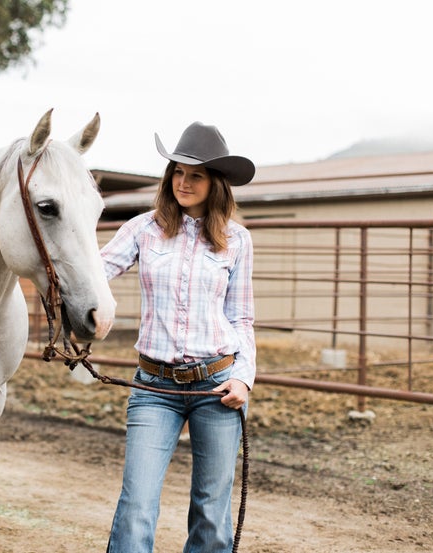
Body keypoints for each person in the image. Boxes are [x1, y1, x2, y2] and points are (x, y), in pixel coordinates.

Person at [101, 121, 256, 553]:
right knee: (137, 503)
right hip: (153, 387)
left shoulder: (237, 241)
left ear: (216, 183)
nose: (183, 182)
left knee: (211, 508)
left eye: (196, 174)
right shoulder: (142, 229)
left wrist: (244, 377)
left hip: (217, 385)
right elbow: (95, 272)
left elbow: (242, 317)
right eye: (177, 172)